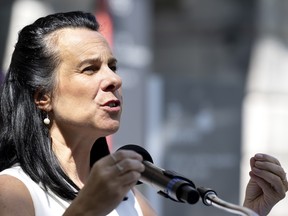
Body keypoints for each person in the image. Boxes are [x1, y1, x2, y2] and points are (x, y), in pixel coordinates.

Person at [0, 11, 286, 216]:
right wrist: (87, 209)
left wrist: (251, 212)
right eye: (90, 68)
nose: (114, 79)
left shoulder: (127, 197)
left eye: (112, 66)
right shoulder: (12, 190)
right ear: (42, 96)